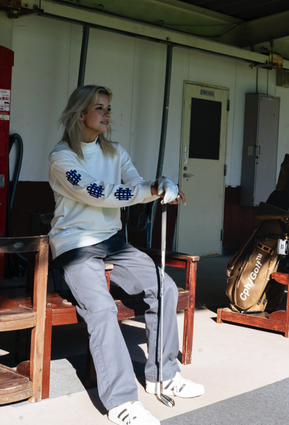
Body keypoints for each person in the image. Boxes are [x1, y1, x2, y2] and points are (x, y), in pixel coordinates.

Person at [48, 85, 204, 425]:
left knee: (164, 287)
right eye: (99, 108)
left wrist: (161, 185)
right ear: (80, 114)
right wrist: (148, 190)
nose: (107, 114)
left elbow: (137, 183)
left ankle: (163, 374)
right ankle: (120, 402)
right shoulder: (62, 157)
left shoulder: (115, 152)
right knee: (101, 308)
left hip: (113, 242)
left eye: (108, 109)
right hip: (75, 246)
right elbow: (97, 192)